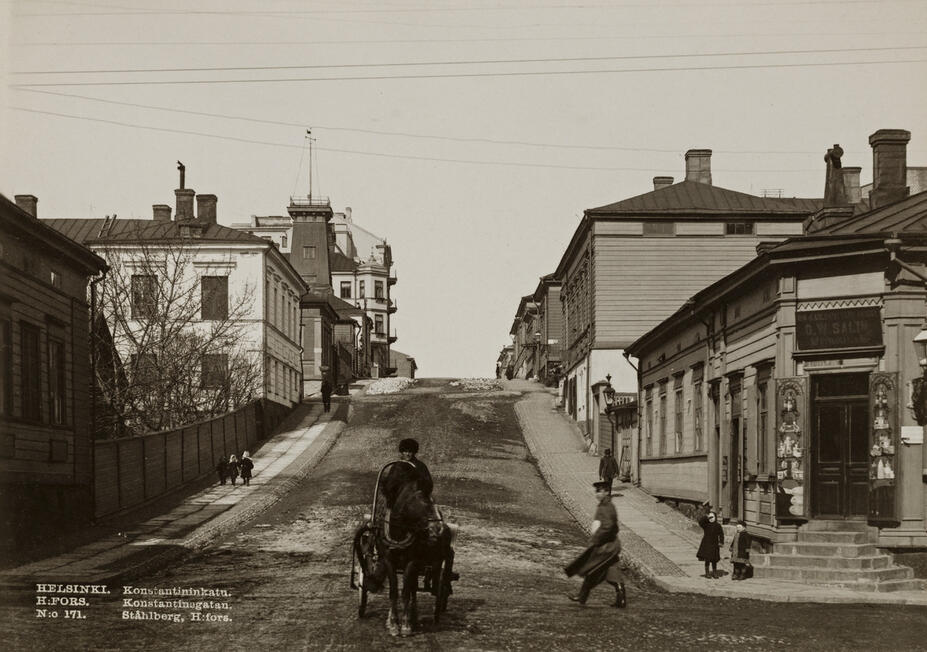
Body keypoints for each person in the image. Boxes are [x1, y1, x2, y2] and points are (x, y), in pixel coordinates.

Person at [564, 481, 626, 608]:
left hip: (606, 546)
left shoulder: (606, 507)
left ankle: (582, 596)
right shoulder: (606, 505)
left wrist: (596, 539)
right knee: (611, 570)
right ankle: (621, 599)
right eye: (596, 491)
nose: (597, 494)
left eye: (600, 491)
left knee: (592, 569)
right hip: (611, 546)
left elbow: (608, 526)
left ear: (607, 492)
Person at [697, 510, 724, 578]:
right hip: (706, 544)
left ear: (715, 517)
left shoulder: (718, 526)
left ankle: (714, 573)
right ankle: (707, 573)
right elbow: (700, 522)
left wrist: (721, 542)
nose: (711, 519)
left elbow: (721, 534)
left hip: (715, 544)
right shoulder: (706, 525)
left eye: (712, 517)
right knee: (707, 559)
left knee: (714, 559)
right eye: (710, 517)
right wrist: (706, 517)